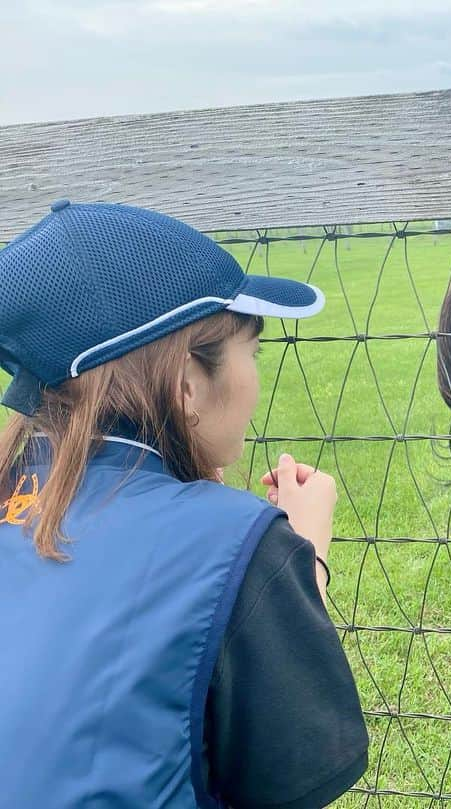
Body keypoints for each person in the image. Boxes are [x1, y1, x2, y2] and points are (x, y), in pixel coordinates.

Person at [0, 200, 369, 808]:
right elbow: (291, 777)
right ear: (188, 383)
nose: (254, 374)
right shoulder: (236, 540)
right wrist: (296, 560)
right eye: (253, 352)